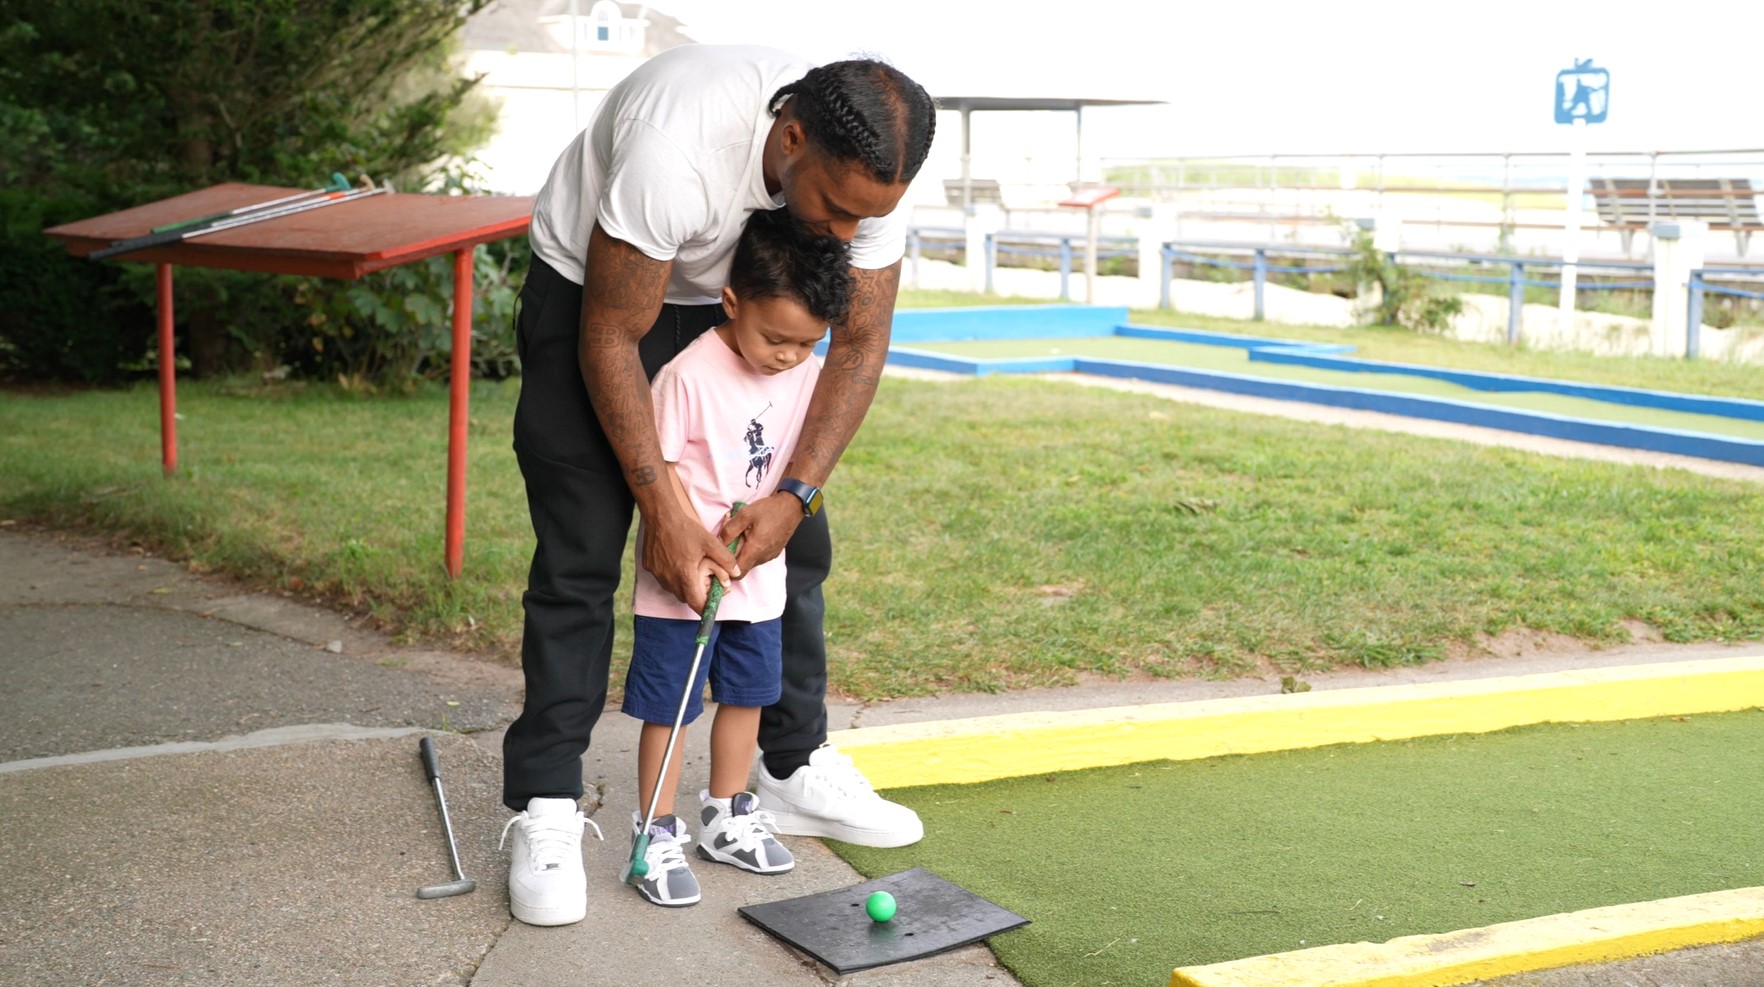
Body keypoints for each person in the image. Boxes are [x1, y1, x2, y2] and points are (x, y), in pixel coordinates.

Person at [498, 44, 937, 927]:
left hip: (744, 300)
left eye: (868, 219)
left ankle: (787, 768)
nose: (848, 237)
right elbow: (614, 334)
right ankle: (545, 803)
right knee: (582, 546)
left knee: (789, 549)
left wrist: (793, 495)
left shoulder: (869, 181)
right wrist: (662, 507)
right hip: (601, 293)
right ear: (790, 136)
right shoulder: (680, 139)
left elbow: (853, 346)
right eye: (837, 210)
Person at [623, 207, 850, 907]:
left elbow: (804, 462)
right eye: (775, 337)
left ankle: (726, 813)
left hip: (758, 573)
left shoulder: (808, 373)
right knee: (672, 703)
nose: (788, 355)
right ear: (731, 301)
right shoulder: (687, 376)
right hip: (683, 579)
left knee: (748, 694)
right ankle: (655, 830)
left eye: (806, 344)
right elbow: (655, 473)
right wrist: (690, 536)